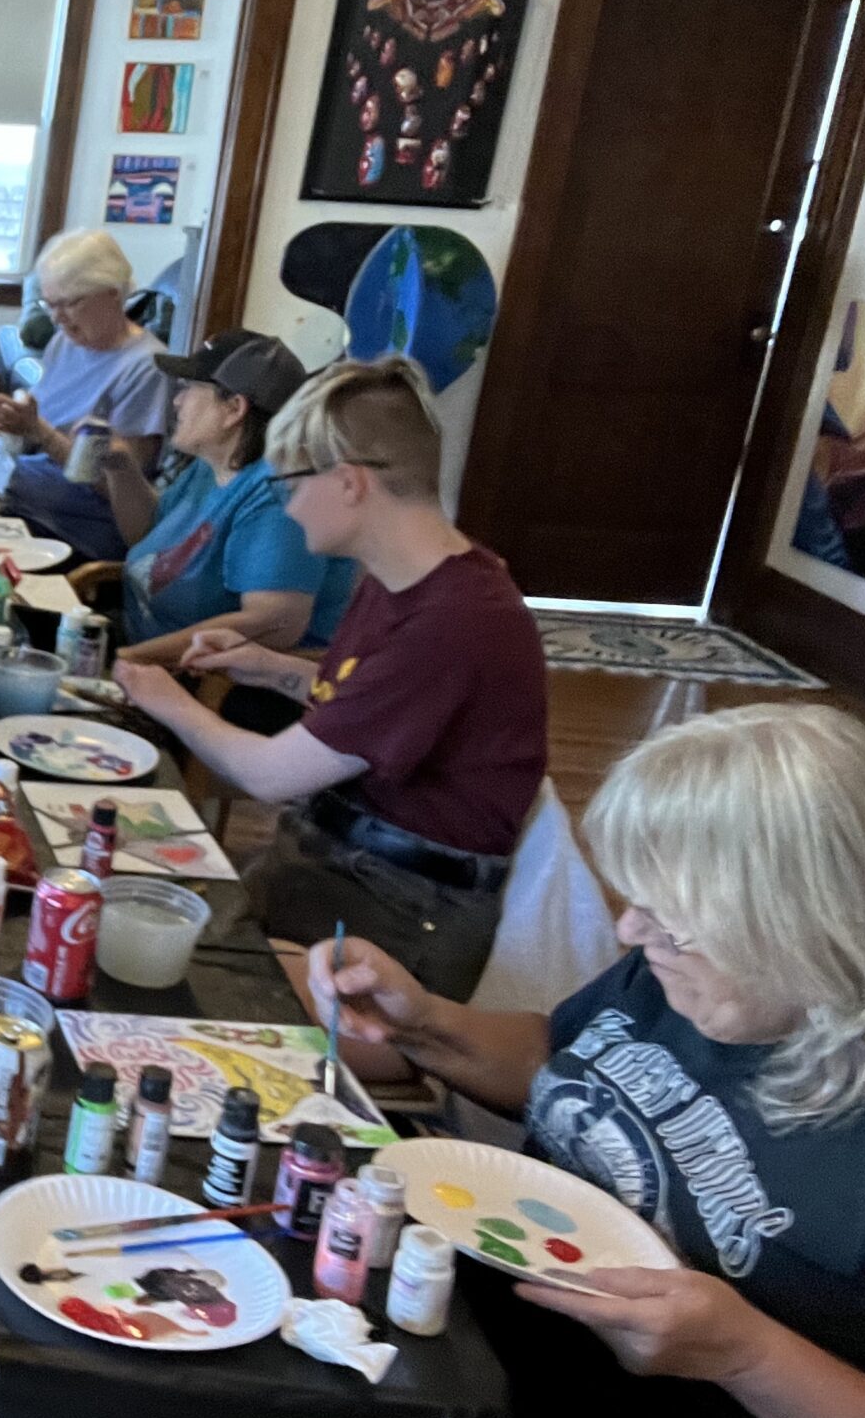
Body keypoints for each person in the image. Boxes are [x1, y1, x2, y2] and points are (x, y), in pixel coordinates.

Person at [307, 704, 865, 1418]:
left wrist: (748, 1356)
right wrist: (422, 1023)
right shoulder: (687, 976)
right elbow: (562, 1059)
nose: (630, 931)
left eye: (668, 920)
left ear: (805, 929)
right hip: (474, 1338)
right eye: (634, 899)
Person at [114, 356, 547, 1001]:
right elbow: (370, 700)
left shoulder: (455, 620)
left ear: (349, 483)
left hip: (398, 912)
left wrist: (164, 696)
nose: (287, 508)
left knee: (165, 974)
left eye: (291, 484)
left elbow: (268, 775)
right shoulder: (407, 580)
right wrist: (274, 668)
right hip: (333, 862)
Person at [102, 329, 355, 673]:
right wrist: (120, 468)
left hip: (206, 681)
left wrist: (130, 661)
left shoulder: (277, 494)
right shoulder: (211, 465)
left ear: (234, 408)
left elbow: (275, 624)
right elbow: (146, 537)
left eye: (190, 388)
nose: (177, 401)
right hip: (140, 647)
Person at [0, 228, 169, 560]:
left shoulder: (146, 368)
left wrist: (41, 433)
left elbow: (120, 488)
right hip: (22, 502)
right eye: (50, 304)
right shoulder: (64, 342)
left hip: (72, 532)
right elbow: (40, 421)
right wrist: (10, 421)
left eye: (70, 303)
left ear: (113, 294)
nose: (57, 317)